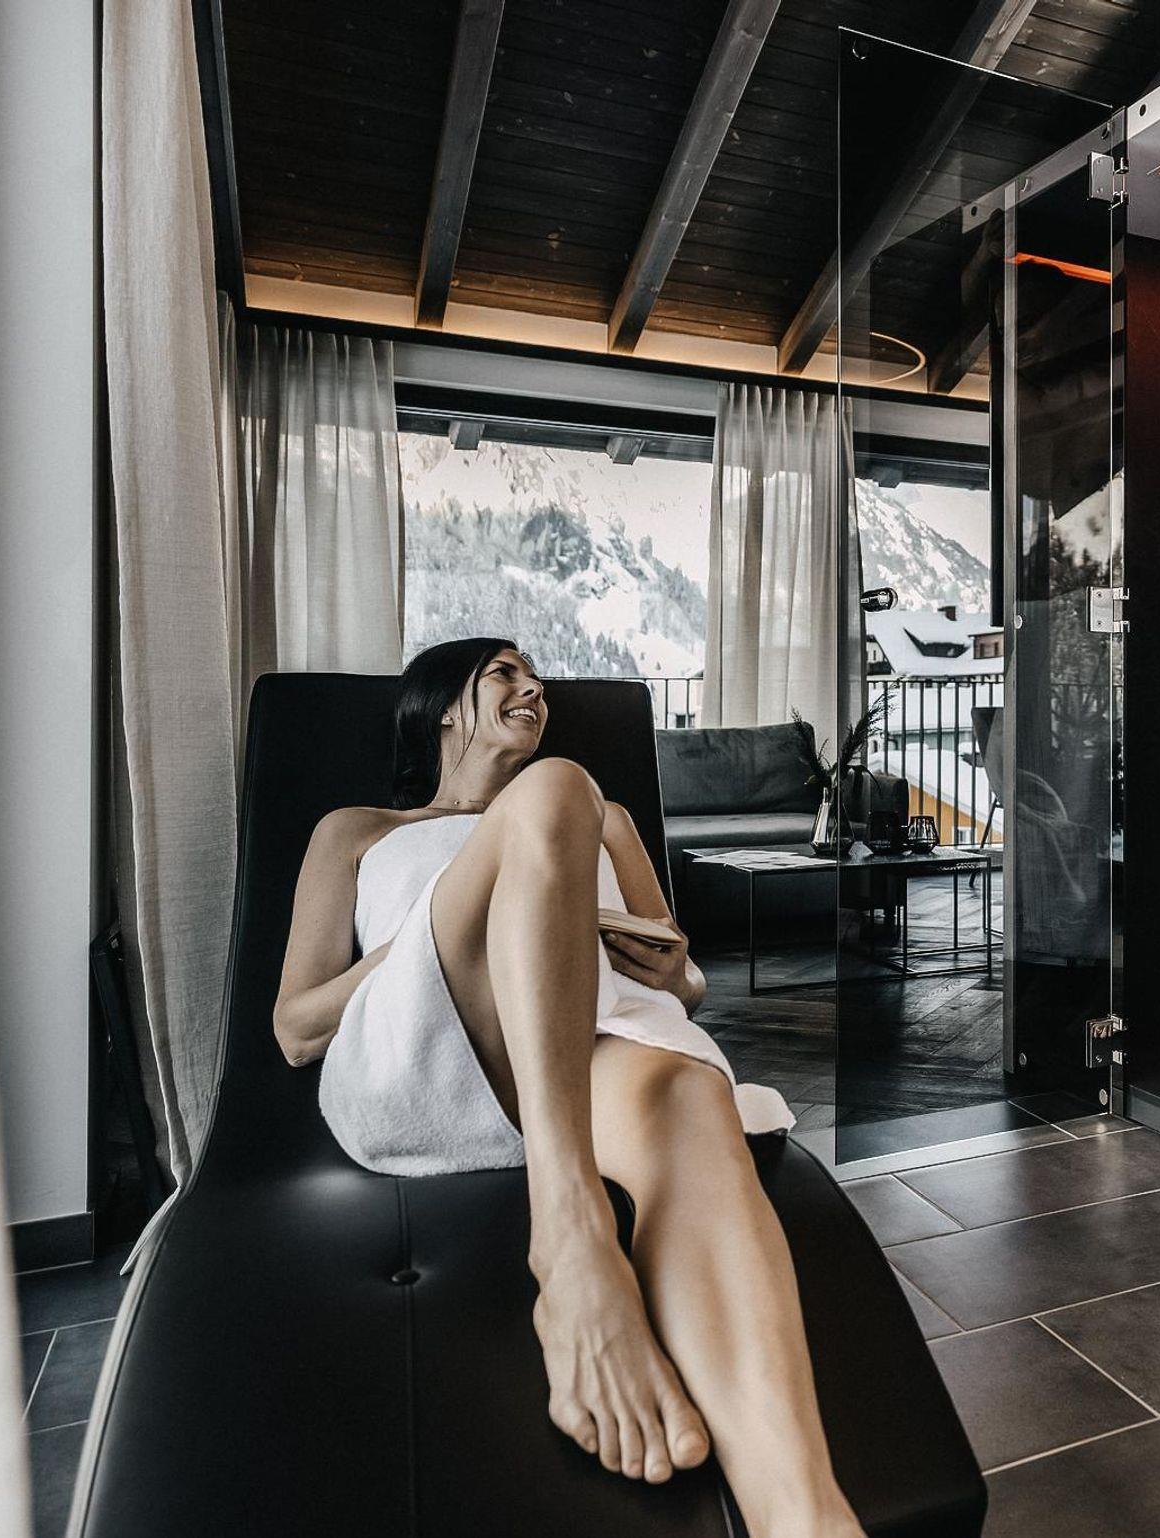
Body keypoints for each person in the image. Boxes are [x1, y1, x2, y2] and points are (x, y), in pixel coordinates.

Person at [272, 638, 862, 1538]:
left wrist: (678, 972)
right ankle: (571, 1239)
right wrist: (436, 923)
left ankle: (807, 1517)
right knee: (555, 791)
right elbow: (295, 1030)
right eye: (504, 673)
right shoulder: (358, 831)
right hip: (433, 1048)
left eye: (534, 676)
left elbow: (682, 984)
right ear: (443, 707)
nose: (533, 687)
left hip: (592, 1041)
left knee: (689, 1096)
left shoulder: (606, 820)